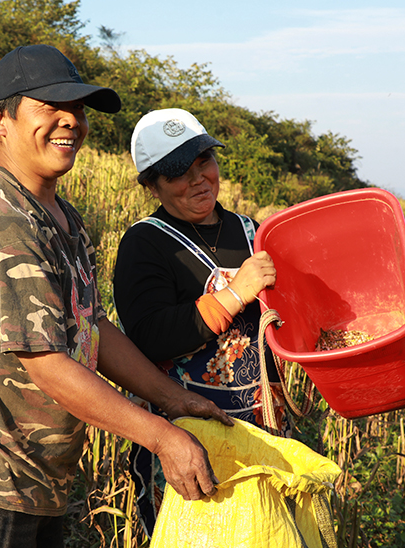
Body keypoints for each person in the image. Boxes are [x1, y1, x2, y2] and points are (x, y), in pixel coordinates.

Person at [0, 46, 233, 548]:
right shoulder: (3, 219)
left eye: (76, 109)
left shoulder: (60, 215)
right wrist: (162, 437)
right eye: (48, 107)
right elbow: (49, 363)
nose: (70, 121)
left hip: (35, 481)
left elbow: (90, 326)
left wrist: (173, 400)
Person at [113, 108, 289, 534]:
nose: (198, 180)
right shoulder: (147, 243)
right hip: (188, 442)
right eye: (178, 173)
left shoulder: (253, 233)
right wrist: (232, 295)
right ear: (151, 185)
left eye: (204, 163)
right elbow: (149, 338)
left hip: (265, 430)